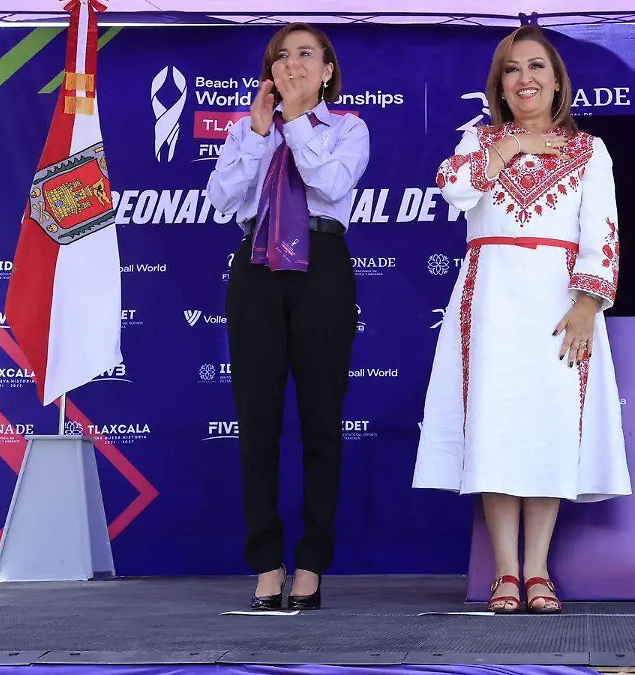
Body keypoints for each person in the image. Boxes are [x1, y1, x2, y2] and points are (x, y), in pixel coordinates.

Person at [413, 25, 631, 614]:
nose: (526, 78)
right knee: (497, 427)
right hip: (490, 300)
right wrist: (505, 149)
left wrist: (589, 302)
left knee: (548, 429)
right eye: (513, 70)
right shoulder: (477, 141)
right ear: (500, 86)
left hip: (560, 304)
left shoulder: (590, 151)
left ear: (558, 82)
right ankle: (505, 574)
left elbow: (603, 231)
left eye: (537, 67)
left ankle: (538, 570)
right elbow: (454, 188)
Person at [205, 22, 370, 611]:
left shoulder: (349, 128)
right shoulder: (247, 130)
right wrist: (256, 133)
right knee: (257, 425)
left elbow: (329, 184)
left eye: (306, 54)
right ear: (269, 71)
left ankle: (312, 564)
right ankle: (266, 561)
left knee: (323, 423)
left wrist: (298, 121)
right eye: (282, 56)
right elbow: (222, 199)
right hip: (254, 269)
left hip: (320, 267)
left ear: (327, 71)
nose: (293, 63)